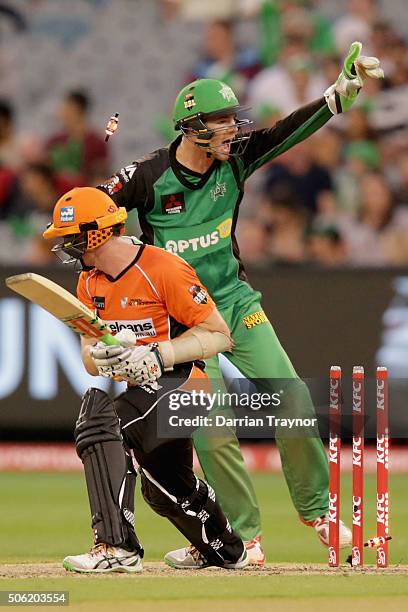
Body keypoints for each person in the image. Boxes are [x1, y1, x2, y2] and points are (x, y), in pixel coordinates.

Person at [99, 42, 384, 567]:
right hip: (181, 318)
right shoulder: (147, 176)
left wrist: (338, 95)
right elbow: (97, 213)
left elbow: (286, 131)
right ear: (191, 126)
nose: (233, 129)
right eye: (220, 120)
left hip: (233, 299)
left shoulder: (237, 159)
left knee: (292, 399)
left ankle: (317, 512)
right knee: (213, 431)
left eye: (235, 118)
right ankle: (243, 539)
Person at [43, 186, 248, 573]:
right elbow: (89, 356)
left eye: (70, 238)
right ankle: (225, 548)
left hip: (186, 386)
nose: (66, 248)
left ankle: (116, 546)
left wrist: (158, 354)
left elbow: (219, 334)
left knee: (100, 419)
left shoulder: (162, 268)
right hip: (145, 392)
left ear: (95, 234)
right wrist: (104, 359)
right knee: (164, 487)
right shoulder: (89, 283)